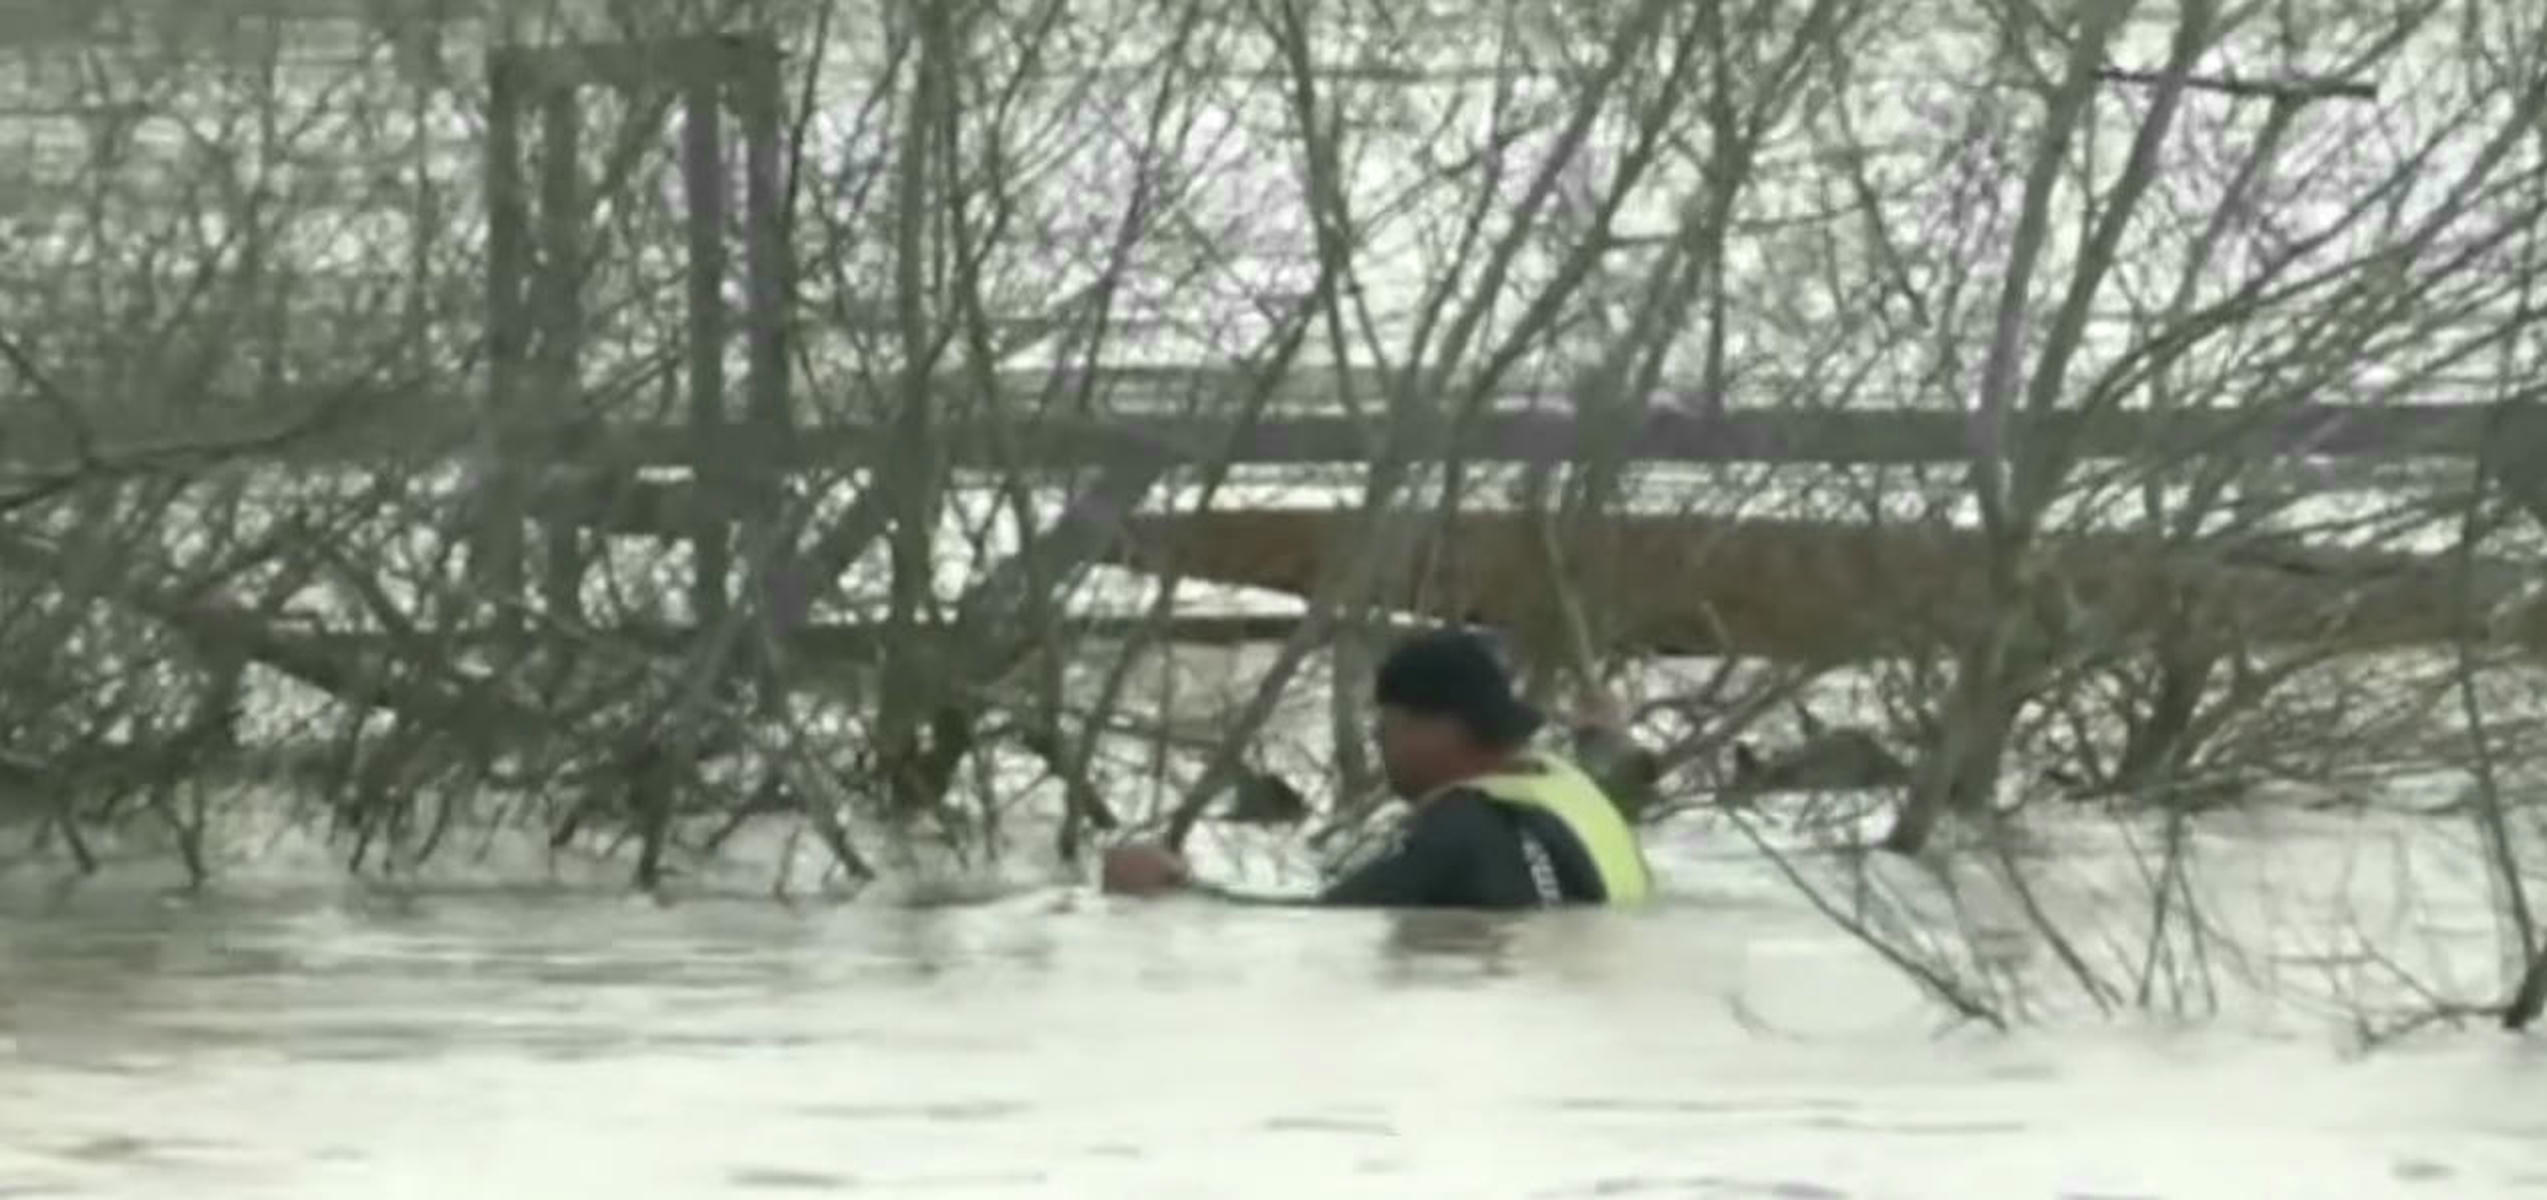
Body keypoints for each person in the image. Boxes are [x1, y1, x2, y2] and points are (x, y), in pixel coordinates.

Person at [1101, 628, 1654, 908]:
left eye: (1386, 728)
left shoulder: (1458, 830)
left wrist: (1176, 891)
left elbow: (1321, 924)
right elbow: (1623, 785)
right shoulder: (1568, 788)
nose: (1378, 746)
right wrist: (1605, 739)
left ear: (1445, 729)